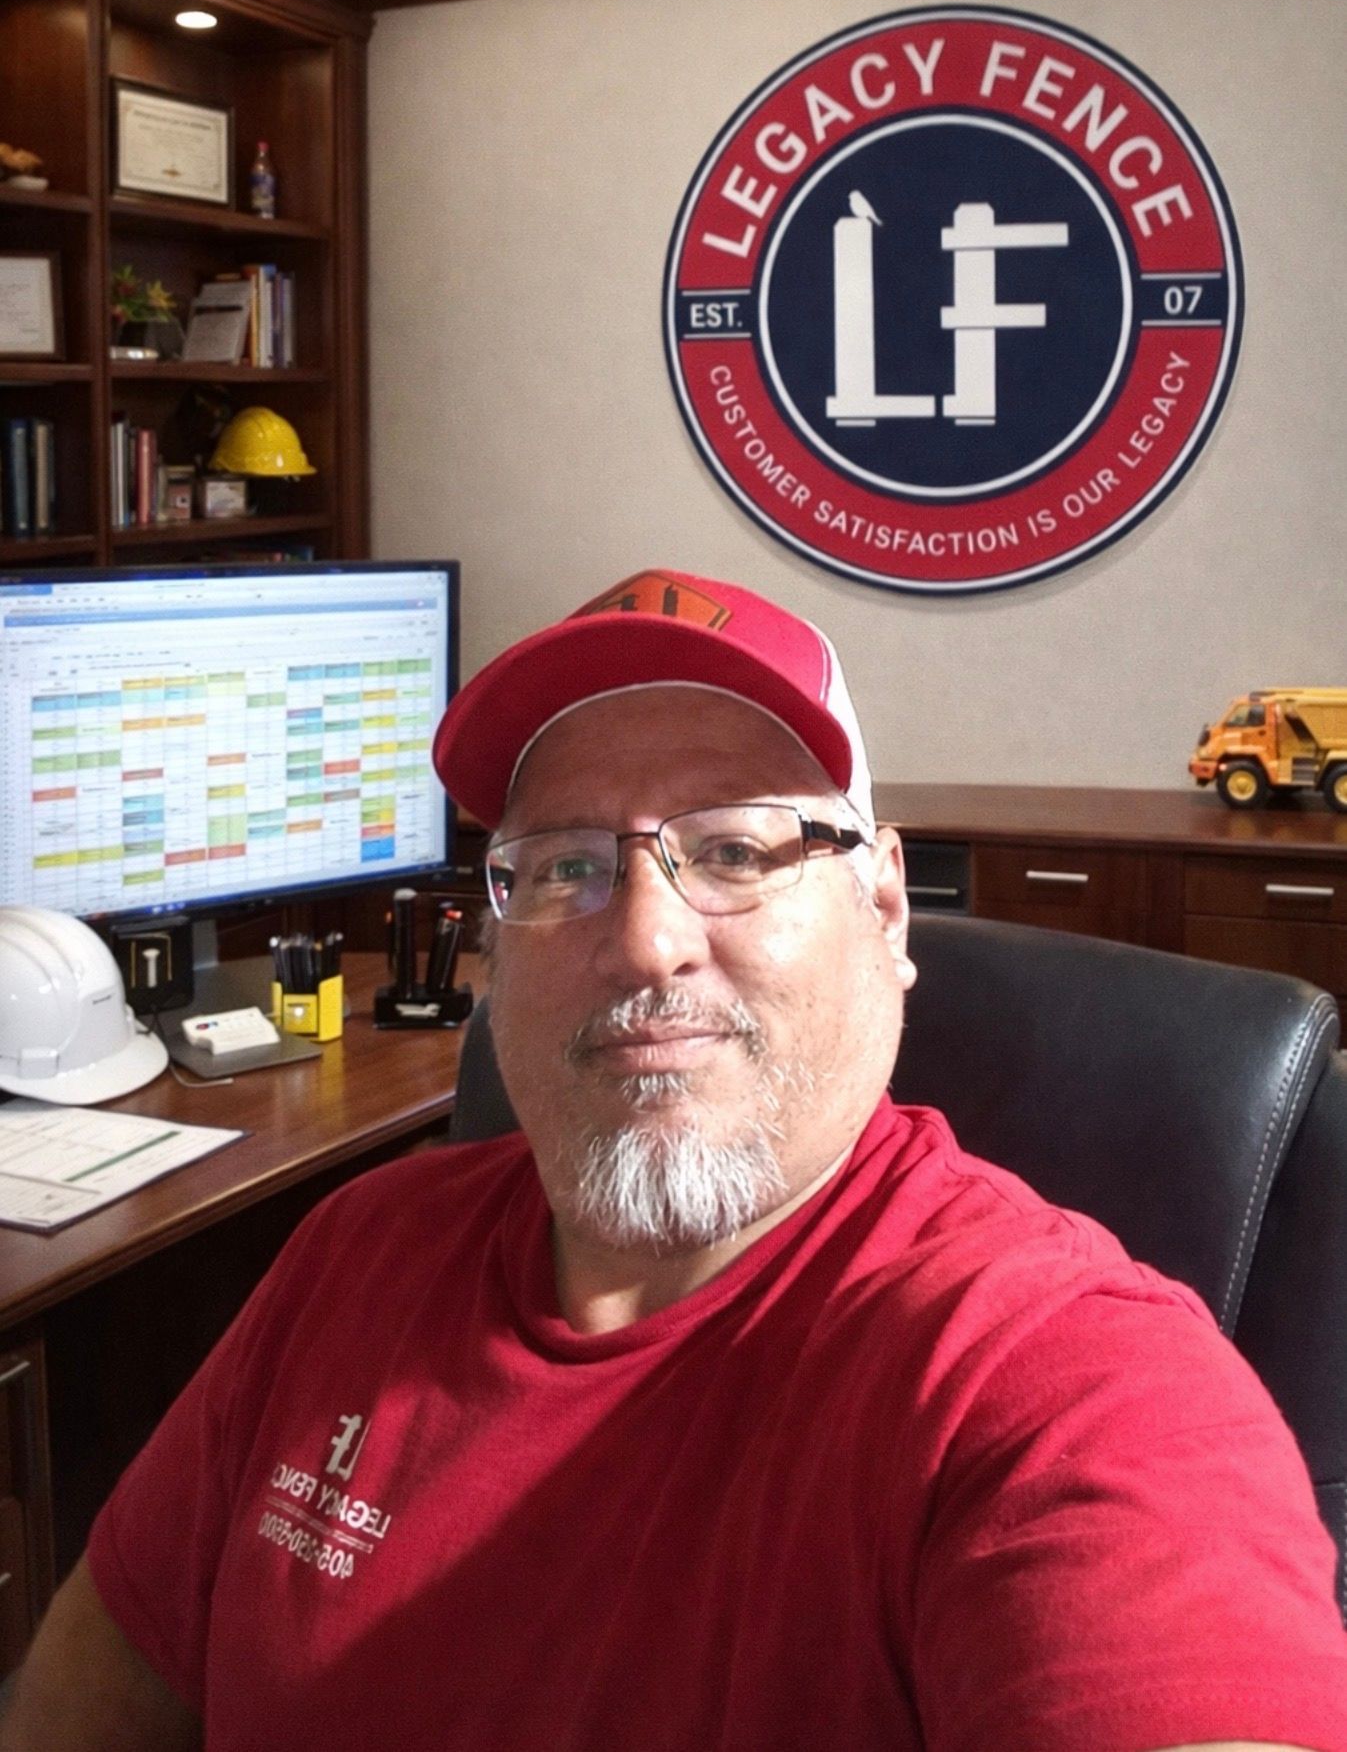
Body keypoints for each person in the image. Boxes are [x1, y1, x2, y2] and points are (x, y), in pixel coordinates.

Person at [4, 564, 1346, 1752]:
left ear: (885, 907)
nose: (646, 941)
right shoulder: (356, 1247)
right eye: (568, 867)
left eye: (737, 849)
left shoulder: (1058, 1380)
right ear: (492, 948)